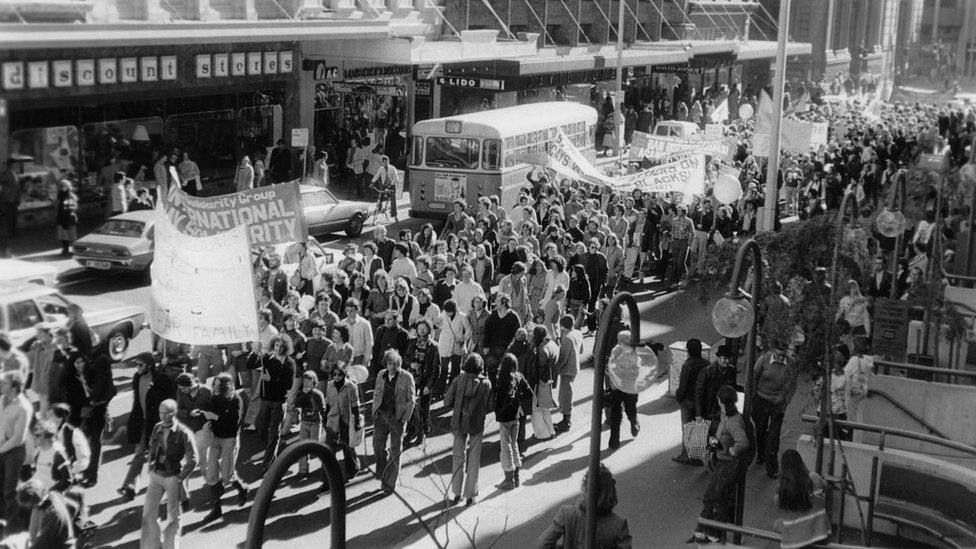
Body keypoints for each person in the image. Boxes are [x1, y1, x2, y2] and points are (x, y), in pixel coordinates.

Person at [690, 385, 753, 544]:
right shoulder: (726, 416)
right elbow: (722, 436)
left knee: (718, 497)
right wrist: (714, 445)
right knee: (710, 496)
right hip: (722, 461)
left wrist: (733, 451)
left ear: (721, 401)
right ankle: (704, 530)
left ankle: (717, 534)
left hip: (729, 464)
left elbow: (742, 442)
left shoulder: (733, 421)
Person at [140, 399, 198, 549]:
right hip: (156, 476)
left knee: (173, 518)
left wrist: (180, 477)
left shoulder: (184, 432)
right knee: (148, 514)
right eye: (161, 413)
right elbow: (152, 446)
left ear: (174, 413)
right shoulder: (157, 427)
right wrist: (150, 467)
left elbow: (193, 458)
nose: (163, 416)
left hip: (173, 477)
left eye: (167, 413)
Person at [537, 463, 632, 548]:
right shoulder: (618, 525)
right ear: (611, 492)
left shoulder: (567, 514)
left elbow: (543, 544)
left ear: (585, 488)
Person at [198, 372, 247, 522]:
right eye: (215, 385)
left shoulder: (235, 400)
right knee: (211, 473)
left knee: (227, 476)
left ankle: (242, 488)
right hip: (215, 438)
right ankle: (216, 509)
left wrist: (215, 417)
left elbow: (234, 423)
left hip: (229, 440)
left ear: (226, 387)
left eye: (219, 386)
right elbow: (209, 413)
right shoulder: (214, 398)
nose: (216, 388)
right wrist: (205, 417)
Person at [248, 334, 296, 471]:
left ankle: (267, 465)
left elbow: (289, 385)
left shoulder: (289, 363)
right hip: (265, 401)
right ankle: (275, 444)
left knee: (273, 433)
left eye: (281, 346)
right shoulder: (267, 358)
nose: (278, 348)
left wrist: (271, 379)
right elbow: (250, 364)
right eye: (276, 345)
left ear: (286, 347)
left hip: (278, 403)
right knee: (262, 430)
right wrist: (255, 352)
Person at [371, 350, 415, 495]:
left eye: (396, 364)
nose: (392, 367)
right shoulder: (381, 375)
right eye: (390, 363)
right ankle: (383, 473)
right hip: (381, 415)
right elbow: (377, 393)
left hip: (397, 418)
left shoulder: (407, 377)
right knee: (378, 447)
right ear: (386, 363)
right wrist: (374, 411)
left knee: (395, 450)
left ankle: (390, 484)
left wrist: (404, 417)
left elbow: (411, 399)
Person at [752, 345, 797, 478]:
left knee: (774, 435)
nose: (779, 358)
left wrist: (786, 402)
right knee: (760, 430)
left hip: (778, 402)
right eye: (777, 354)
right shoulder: (764, 359)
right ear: (773, 350)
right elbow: (754, 377)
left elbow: (793, 384)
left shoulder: (791, 363)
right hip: (761, 398)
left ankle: (771, 466)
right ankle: (761, 454)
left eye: (782, 355)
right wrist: (754, 396)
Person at [773, 450, 830, 547]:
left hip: (795, 543)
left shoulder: (780, 499)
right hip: (819, 539)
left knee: (777, 524)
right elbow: (824, 486)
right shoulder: (815, 484)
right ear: (802, 465)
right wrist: (808, 471)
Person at [494, 353, 531, 490]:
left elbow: (495, 398)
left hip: (504, 417)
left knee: (506, 448)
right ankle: (516, 477)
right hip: (515, 416)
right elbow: (529, 394)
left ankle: (508, 480)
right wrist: (519, 402)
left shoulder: (500, 380)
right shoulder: (519, 377)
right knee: (514, 445)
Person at [0, 371, 33, 529]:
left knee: (10, 491)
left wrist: (1, 450)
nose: (2, 385)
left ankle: (13, 529)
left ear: (14, 387)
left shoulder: (24, 407)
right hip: (1, 447)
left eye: (5, 383)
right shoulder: (2, 400)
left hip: (14, 452)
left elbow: (18, 437)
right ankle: (2, 519)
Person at [175, 373, 213, 498]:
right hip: (188, 431)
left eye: (184, 388)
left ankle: (213, 484)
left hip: (202, 429)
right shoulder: (181, 392)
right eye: (180, 388)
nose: (182, 390)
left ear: (191, 385)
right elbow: (177, 411)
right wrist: (188, 413)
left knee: (202, 461)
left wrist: (209, 420)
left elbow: (214, 409)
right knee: (189, 461)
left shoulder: (207, 392)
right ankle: (183, 493)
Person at [404, 319, 439, 446]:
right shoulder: (412, 343)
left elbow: (436, 370)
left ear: (429, 330)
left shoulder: (434, 347)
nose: (421, 331)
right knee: (410, 406)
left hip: (425, 380)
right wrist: (411, 364)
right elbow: (406, 358)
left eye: (424, 328)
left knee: (424, 408)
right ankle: (412, 429)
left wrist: (429, 386)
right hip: (412, 378)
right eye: (419, 329)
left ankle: (422, 432)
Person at [673, 338, 709, 464]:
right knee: (699, 428)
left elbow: (683, 385)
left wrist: (678, 397)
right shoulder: (707, 363)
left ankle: (686, 455)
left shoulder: (687, 365)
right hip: (701, 401)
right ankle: (698, 456)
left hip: (688, 401)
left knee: (687, 428)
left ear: (688, 351)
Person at [324, 363, 362, 481]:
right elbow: (328, 404)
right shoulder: (329, 386)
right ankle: (327, 479)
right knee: (329, 450)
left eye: (340, 374)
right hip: (332, 421)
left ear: (344, 374)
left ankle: (353, 468)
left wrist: (356, 422)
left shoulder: (351, 387)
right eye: (334, 374)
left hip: (346, 421)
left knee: (348, 447)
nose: (336, 377)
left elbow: (355, 406)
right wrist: (325, 419)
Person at [16, 479, 76, 549]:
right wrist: (66, 526)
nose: (31, 508)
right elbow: (73, 507)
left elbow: (42, 543)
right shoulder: (53, 494)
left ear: (38, 500)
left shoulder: (52, 513)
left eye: (32, 506)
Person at [293, 371, 326, 476]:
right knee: (303, 447)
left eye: (309, 381)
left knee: (316, 447)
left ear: (314, 382)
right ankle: (303, 470)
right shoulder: (301, 393)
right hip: (304, 422)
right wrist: (304, 393)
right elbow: (297, 403)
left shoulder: (317, 394)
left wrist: (324, 424)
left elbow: (323, 409)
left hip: (316, 423)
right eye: (305, 381)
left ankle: (324, 467)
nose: (306, 383)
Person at [553, 315, 582, 433]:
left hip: (567, 369)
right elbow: (581, 350)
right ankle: (565, 417)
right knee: (565, 392)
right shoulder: (578, 333)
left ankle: (566, 420)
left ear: (563, 326)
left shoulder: (567, 337)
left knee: (565, 394)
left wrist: (555, 370)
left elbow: (563, 358)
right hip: (575, 366)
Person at [695, 345, 736, 425]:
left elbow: (733, 388)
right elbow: (698, 394)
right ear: (718, 358)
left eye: (729, 358)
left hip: (724, 411)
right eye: (725, 358)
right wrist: (699, 414)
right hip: (709, 411)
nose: (727, 361)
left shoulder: (732, 370)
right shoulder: (707, 372)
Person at [436, 300, 469, 395]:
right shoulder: (443, 314)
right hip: (445, 342)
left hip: (457, 343)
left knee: (456, 367)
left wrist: (463, 338)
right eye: (446, 311)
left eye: (450, 311)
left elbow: (468, 329)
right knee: (444, 368)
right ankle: (439, 391)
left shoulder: (462, 316)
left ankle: (452, 390)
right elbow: (439, 324)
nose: (448, 313)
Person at [28, 325, 56, 412]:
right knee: (44, 406)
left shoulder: (55, 346)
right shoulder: (38, 345)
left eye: (39, 333)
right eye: (36, 334)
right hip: (41, 382)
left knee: (49, 408)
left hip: (51, 383)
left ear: (47, 333)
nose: (37, 336)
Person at [371, 155, 400, 222]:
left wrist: (390, 185)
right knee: (380, 198)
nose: (385, 163)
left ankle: (395, 216)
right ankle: (379, 211)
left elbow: (396, 178)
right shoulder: (381, 169)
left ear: (388, 161)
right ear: (382, 163)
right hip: (384, 185)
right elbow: (377, 175)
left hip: (392, 185)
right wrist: (372, 182)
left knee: (393, 200)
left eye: (386, 162)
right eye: (384, 162)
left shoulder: (393, 168)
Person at [55, 180, 79, 257]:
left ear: (68, 186)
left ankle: (74, 250)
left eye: (64, 185)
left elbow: (75, 206)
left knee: (71, 235)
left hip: (69, 217)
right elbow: (56, 206)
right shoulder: (59, 195)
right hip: (61, 217)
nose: (63, 187)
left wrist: (70, 207)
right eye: (61, 186)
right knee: (63, 235)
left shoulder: (71, 196)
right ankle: (65, 249)